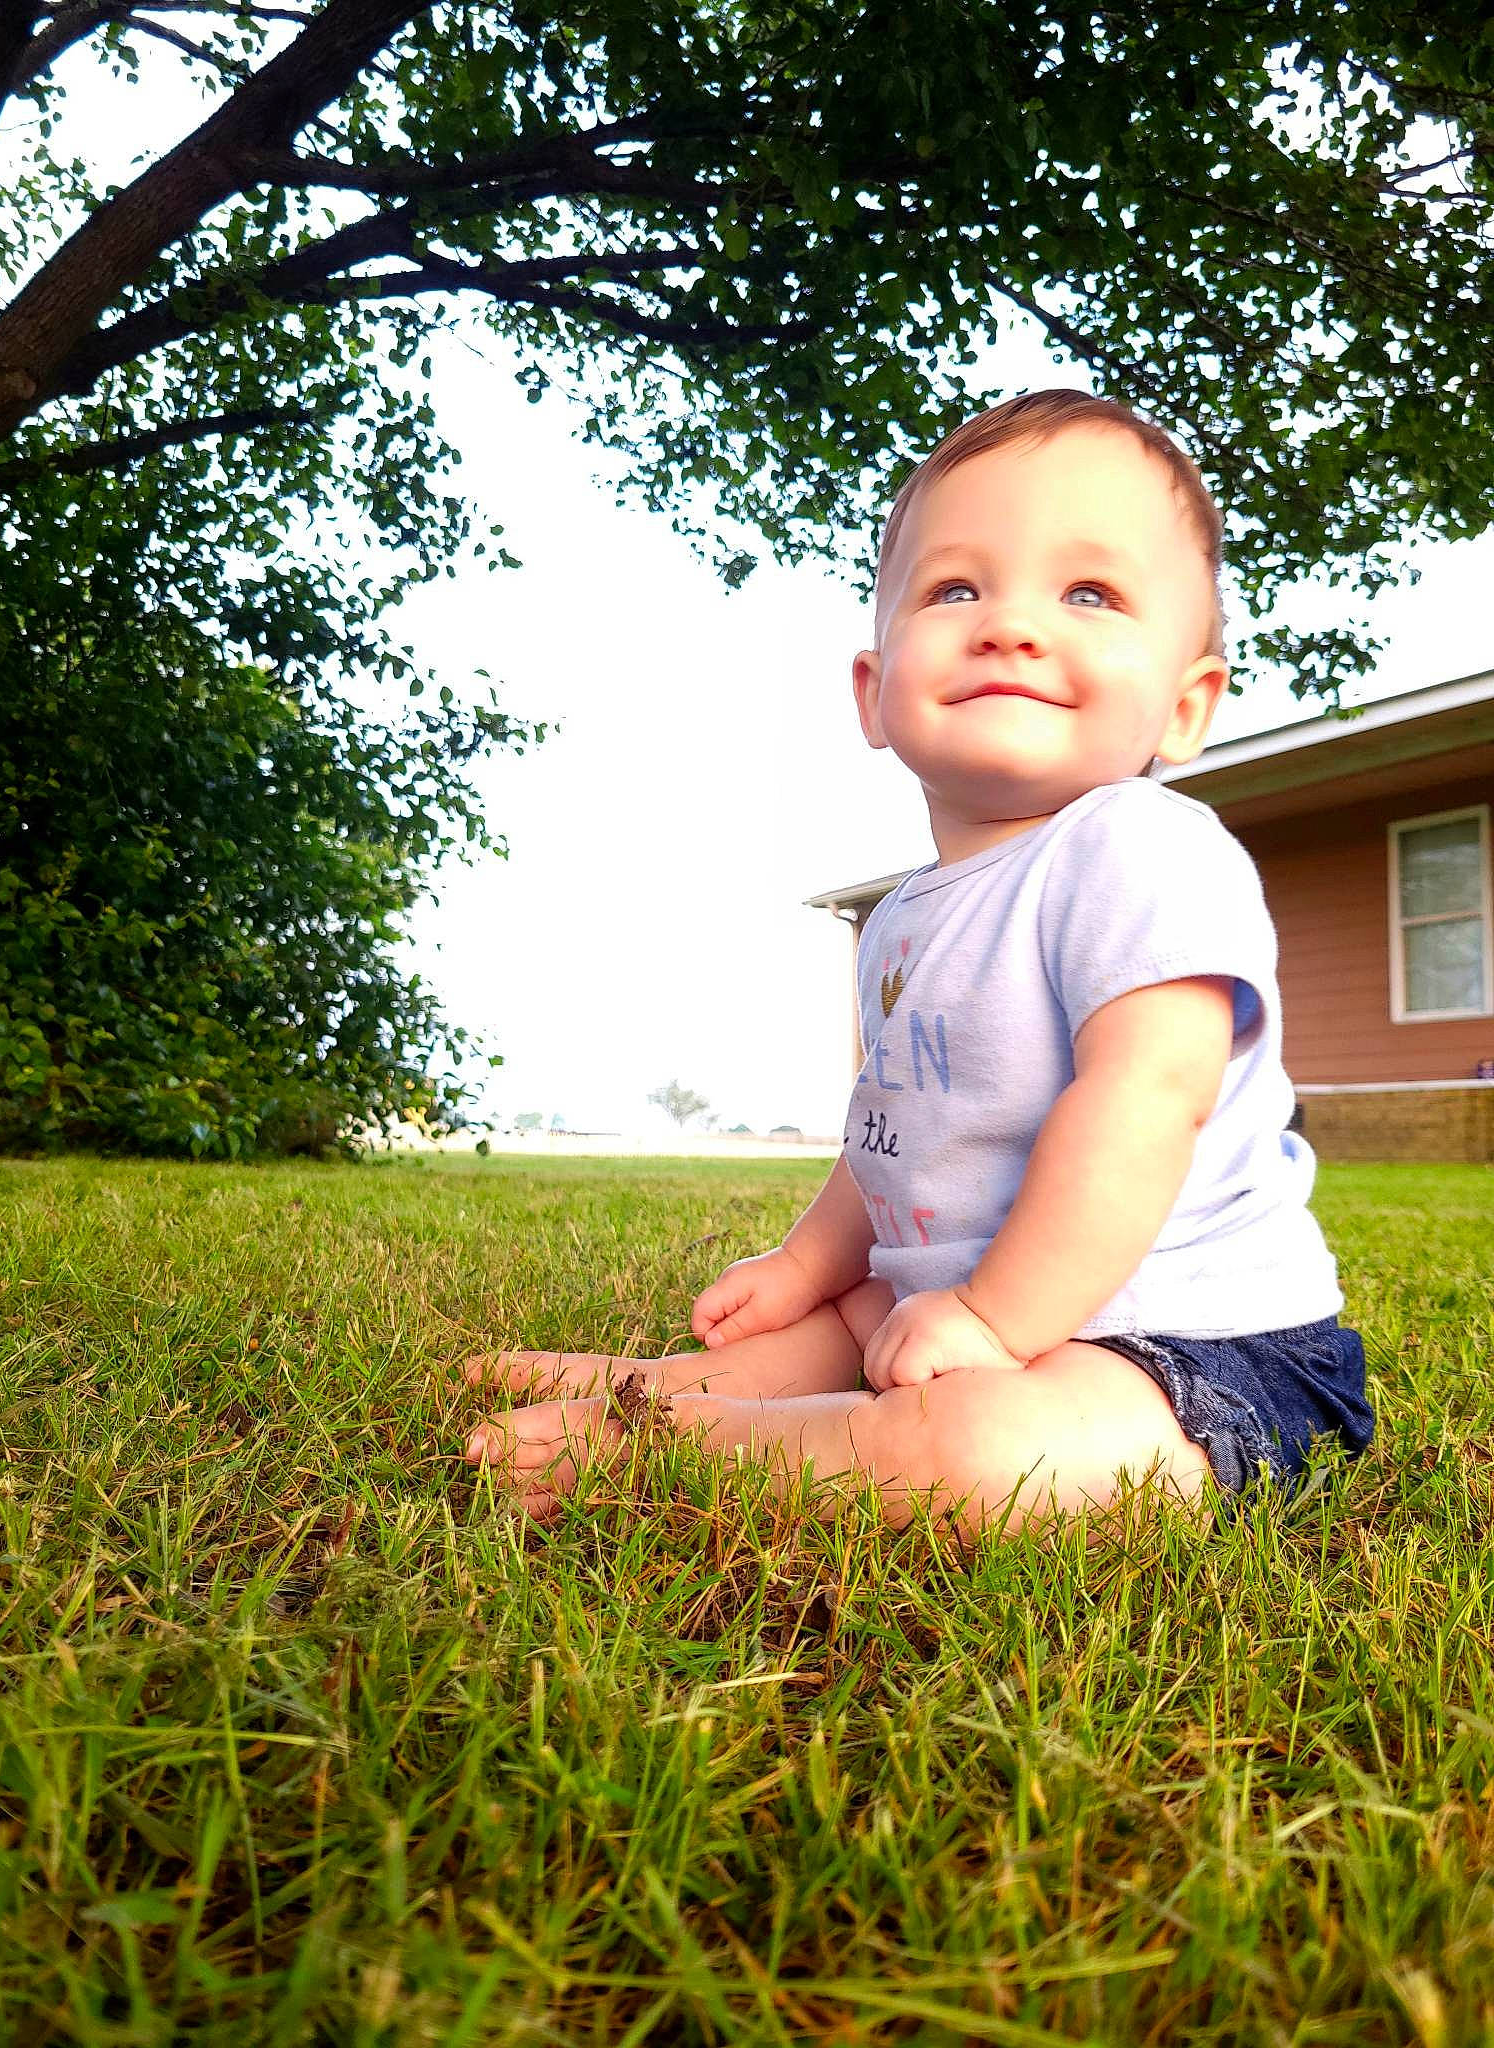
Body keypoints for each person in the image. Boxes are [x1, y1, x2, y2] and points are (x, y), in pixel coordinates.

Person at [466, 389, 1374, 1535]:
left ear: (1186, 706)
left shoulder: (1137, 846)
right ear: (874, 689)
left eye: (1088, 593)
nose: (1011, 624)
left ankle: (702, 1446)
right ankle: (659, 1387)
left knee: (983, 1452)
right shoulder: (903, 917)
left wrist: (996, 1319)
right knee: (830, 1331)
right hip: (946, 1303)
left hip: (1190, 1344)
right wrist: (806, 1265)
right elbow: (896, 1121)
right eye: (957, 588)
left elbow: (1146, 1099)